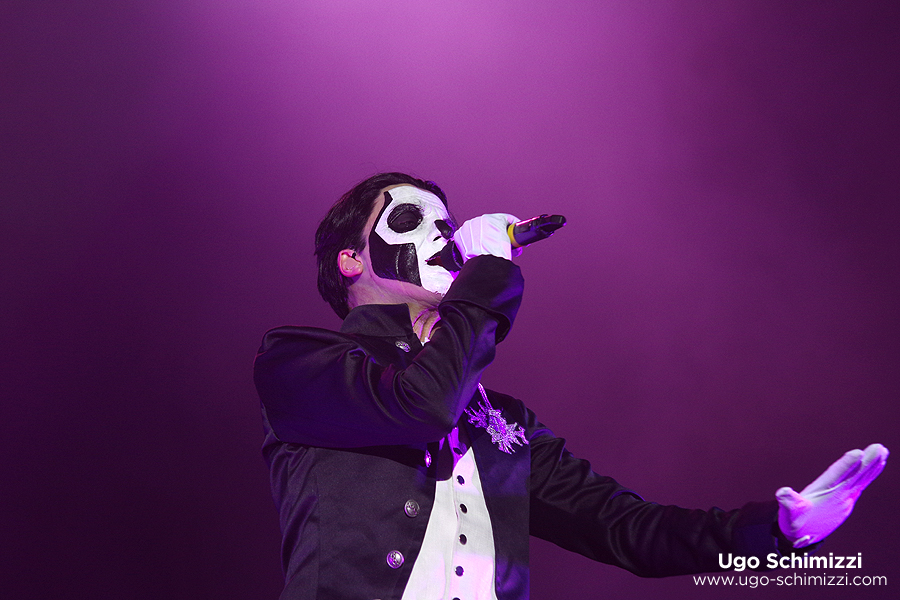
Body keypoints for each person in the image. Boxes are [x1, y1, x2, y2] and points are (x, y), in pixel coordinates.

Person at [253, 172, 888, 600]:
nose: (441, 234)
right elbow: (422, 404)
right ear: (352, 258)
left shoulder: (502, 421)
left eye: (447, 224)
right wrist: (488, 274)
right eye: (413, 218)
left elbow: (626, 528)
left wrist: (778, 532)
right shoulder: (298, 361)